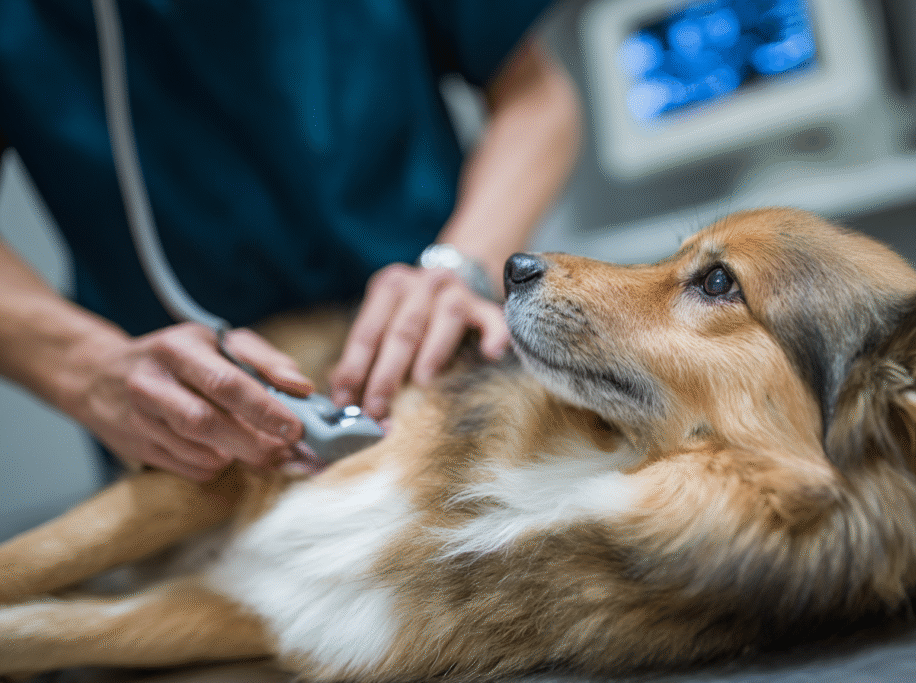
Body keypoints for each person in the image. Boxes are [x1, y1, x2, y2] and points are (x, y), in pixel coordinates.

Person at [0, 1, 580, 482]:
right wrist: (88, 368)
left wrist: (459, 266)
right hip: (183, 431)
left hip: (433, 364)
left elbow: (535, 97)